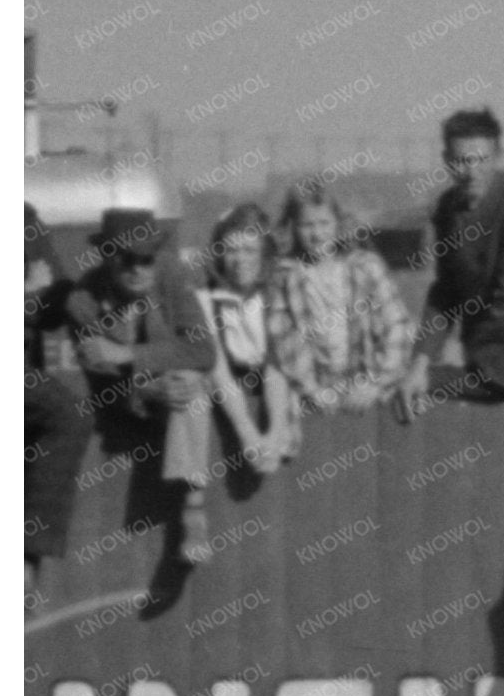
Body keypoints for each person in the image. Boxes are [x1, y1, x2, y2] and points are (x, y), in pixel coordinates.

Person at [65, 208, 217, 565]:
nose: (138, 269)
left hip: (174, 382)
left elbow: (203, 350)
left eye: (146, 259)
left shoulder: (171, 273)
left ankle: (193, 508)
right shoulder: (82, 303)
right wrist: (146, 389)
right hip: (129, 402)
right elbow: (101, 384)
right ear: (107, 258)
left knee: (189, 384)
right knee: (182, 382)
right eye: (126, 259)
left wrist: (129, 354)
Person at [398, 105, 504, 413]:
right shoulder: (448, 208)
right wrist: (420, 361)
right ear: (446, 160)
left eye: (481, 160)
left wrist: (470, 347)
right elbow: (446, 292)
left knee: (403, 384)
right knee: (406, 379)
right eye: (461, 160)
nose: (471, 171)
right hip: (479, 359)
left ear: (499, 158)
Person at [265, 182, 413, 418]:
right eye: (307, 225)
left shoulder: (366, 266)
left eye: (324, 223)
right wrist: (313, 390)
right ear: (293, 227)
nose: (317, 234)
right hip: (314, 394)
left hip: (368, 388)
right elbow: (283, 338)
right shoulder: (286, 274)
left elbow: (397, 325)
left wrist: (376, 382)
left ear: (338, 224)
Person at [191, 203, 300, 481]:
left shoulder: (278, 291)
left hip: (279, 376)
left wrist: (274, 433)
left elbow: (277, 365)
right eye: (231, 251)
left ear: (264, 253)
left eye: (249, 250)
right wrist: (247, 434)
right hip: (233, 382)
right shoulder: (205, 299)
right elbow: (218, 371)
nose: (240, 260)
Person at [27, 205, 91, 594]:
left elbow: (55, 305)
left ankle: (26, 559)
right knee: (66, 416)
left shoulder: (25, 223)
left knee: (65, 418)